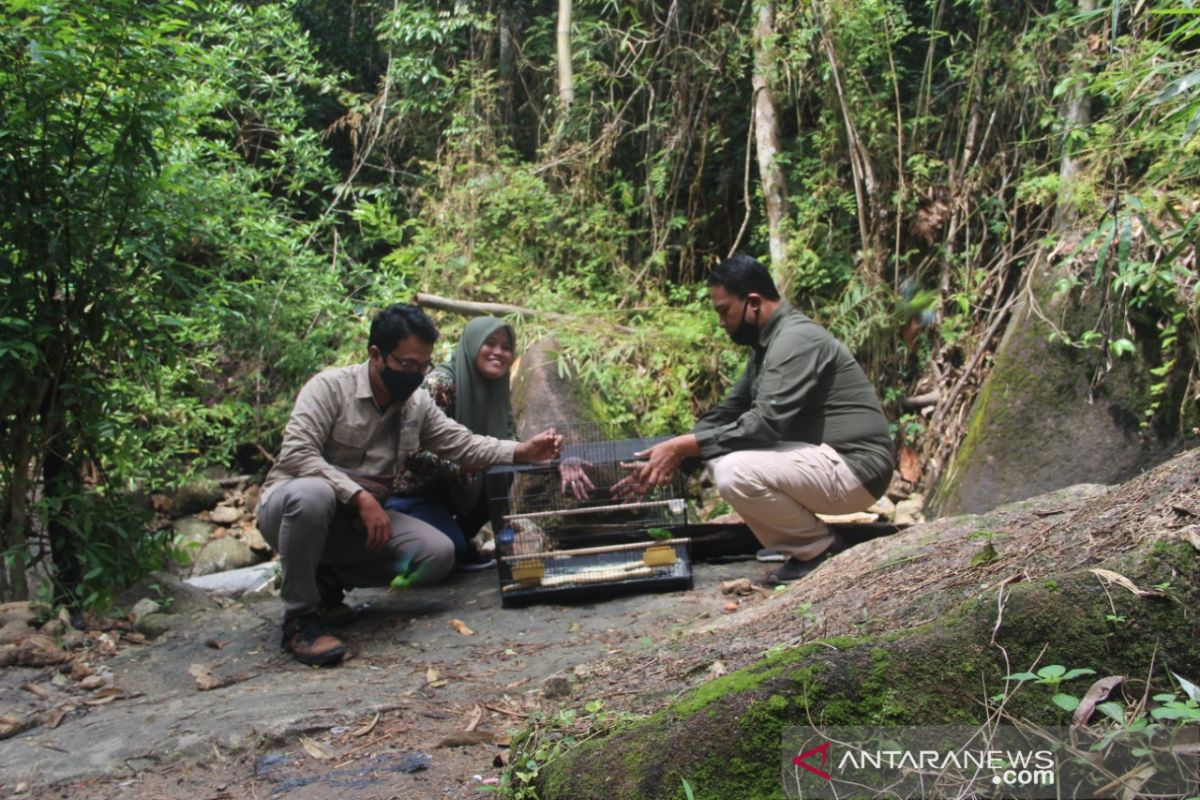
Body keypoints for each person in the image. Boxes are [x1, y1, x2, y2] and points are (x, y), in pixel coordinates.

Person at [257, 304, 562, 666]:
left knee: (438, 553)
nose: (416, 374)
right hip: (293, 509)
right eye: (406, 365)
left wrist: (522, 451)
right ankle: (300, 620)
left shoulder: (416, 403)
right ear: (376, 354)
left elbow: (461, 443)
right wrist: (359, 497)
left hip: (354, 525)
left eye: (423, 366)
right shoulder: (328, 388)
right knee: (313, 494)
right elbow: (297, 454)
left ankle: (326, 576)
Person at [615, 255, 893, 585]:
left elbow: (763, 427)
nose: (721, 322)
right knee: (721, 460)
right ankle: (802, 544)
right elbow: (727, 413)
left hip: (856, 468)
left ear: (754, 303)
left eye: (724, 310)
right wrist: (671, 456)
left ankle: (820, 550)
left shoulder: (795, 340)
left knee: (734, 470)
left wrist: (685, 448)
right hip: (830, 463)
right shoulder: (767, 346)